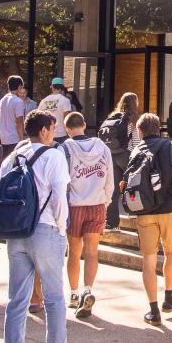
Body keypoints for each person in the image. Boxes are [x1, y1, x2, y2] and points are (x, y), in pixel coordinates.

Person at [0, 110, 76, 343]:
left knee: (16, 299)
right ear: (43, 130)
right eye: (52, 128)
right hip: (46, 229)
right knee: (54, 298)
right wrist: (62, 228)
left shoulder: (13, 157)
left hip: (16, 230)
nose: (54, 132)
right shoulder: (54, 155)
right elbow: (59, 198)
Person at [131, 112, 172, 326]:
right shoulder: (170, 147)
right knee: (170, 252)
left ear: (140, 131)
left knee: (148, 260)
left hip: (145, 211)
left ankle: (153, 310)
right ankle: (168, 298)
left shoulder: (136, 150)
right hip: (169, 209)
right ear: (158, 128)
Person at [61, 111, 112, 319]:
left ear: (67, 128)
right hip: (97, 203)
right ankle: (87, 289)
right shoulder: (103, 147)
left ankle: (73, 294)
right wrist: (106, 200)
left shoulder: (65, 148)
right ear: (84, 125)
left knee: (74, 252)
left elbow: (63, 179)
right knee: (92, 252)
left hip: (75, 204)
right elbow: (109, 177)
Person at [104, 92, 141, 231]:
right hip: (127, 155)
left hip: (112, 154)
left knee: (114, 188)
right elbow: (136, 141)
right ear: (134, 103)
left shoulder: (112, 117)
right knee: (132, 183)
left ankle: (112, 223)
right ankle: (132, 211)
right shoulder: (133, 118)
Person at [0, 75, 27, 158]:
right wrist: (21, 139)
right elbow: (19, 121)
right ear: (19, 86)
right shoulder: (18, 101)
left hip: (3, 137)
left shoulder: (2, 100)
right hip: (14, 138)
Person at [39, 77, 74, 143]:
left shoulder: (44, 101)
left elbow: (39, 117)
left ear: (52, 87)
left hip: (47, 134)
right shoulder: (65, 100)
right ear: (62, 88)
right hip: (61, 134)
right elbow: (67, 118)